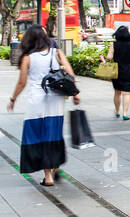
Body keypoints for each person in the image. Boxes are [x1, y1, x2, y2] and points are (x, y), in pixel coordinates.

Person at [7, 24, 79, 186]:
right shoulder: (56, 53)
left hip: (36, 101)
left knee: (38, 136)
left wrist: (13, 99)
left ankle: (48, 177)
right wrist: (75, 94)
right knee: (53, 134)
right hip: (56, 100)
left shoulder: (28, 57)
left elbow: (22, 83)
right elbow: (70, 74)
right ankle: (55, 166)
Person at [108, 26, 130, 120]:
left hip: (117, 71)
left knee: (117, 92)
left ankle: (117, 112)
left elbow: (109, 57)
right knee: (126, 93)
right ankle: (125, 113)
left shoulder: (114, 44)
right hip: (129, 70)